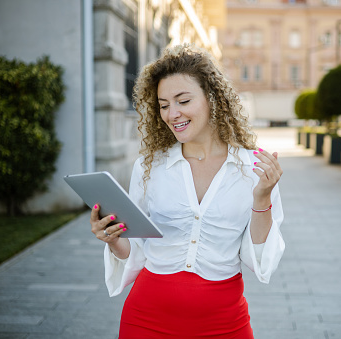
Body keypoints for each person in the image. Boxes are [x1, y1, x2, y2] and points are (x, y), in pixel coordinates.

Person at [90, 44, 285, 338]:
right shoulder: (149, 165)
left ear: (212, 98)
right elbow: (138, 252)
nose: (173, 114)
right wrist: (113, 239)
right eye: (164, 104)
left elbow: (258, 261)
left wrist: (262, 199)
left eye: (183, 100)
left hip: (224, 322)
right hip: (146, 319)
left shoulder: (254, 166)